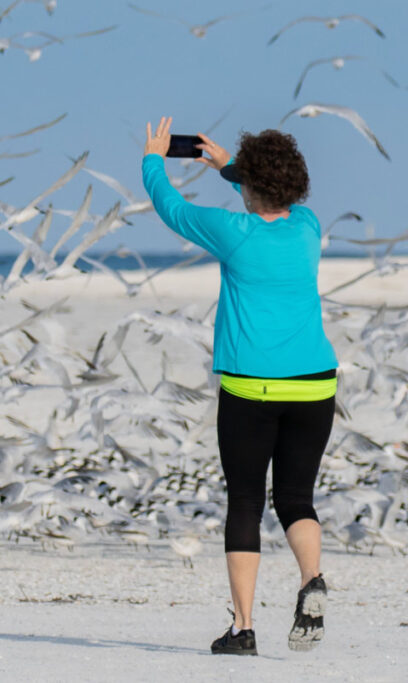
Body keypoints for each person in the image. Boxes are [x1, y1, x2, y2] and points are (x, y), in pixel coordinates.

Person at [142, 117, 338, 656]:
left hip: (253, 389)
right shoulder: (308, 226)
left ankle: (243, 628)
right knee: (297, 498)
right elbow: (270, 197)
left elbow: (173, 210)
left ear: (251, 186)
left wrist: (154, 159)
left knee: (246, 503)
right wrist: (228, 166)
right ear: (295, 186)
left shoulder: (235, 233)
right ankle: (311, 579)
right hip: (316, 386)